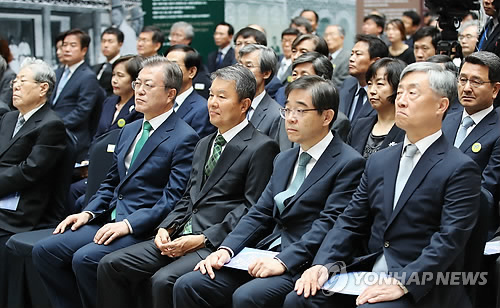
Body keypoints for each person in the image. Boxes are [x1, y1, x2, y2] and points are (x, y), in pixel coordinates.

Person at [284, 62, 481, 308]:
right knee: (299, 300)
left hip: (423, 282)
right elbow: (350, 220)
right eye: (399, 93)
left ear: (441, 106)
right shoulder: (380, 160)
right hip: (367, 269)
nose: (401, 100)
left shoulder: (459, 167)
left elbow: (450, 238)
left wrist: (403, 283)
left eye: (413, 93)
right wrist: (322, 264)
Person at [173, 75, 366, 308]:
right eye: (288, 110)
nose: (291, 119)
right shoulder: (284, 159)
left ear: (327, 116)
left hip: (304, 260)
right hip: (264, 250)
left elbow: (329, 222)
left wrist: (284, 261)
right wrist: (226, 248)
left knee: (248, 296)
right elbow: (260, 211)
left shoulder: (348, 162)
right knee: (190, 284)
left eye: (301, 111)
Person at [96, 64, 280, 308]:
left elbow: (251, 208)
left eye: (222, 97)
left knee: (163, 280)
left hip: (214, 238)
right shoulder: (204, 142)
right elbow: (187, 196)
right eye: (211, 95)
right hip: (180, 232)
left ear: (244, 105)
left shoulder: (261, 147)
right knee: (111, 264)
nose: (212, 103)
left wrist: (203, 239)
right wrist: (166, 227)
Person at [32, 56, 199, 308]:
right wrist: (88, 212)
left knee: (85, 258)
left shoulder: (184, 137)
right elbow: (110, 182)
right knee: (44, 251)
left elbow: (173, 199)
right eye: (137, 84)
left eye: (148, 86)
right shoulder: (129, 130)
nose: (139, 91)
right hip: (108, 217)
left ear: (170, 94)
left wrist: (129, 224)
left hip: (142, 225)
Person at [67, 55, 144, 214]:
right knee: (69, 188)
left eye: (120, 76)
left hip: (116, 169)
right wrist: (90, 161)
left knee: (79, 195)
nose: (114, 80)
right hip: (96, 164)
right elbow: (98, 136)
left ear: (135, 80)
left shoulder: (138, 108)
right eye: (113, 74)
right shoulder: (109, 102)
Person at [442, 51, 500, 212]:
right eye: (463, 80)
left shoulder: (497, 130)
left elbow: (488, 188)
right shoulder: (446, 120)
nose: (467, 88)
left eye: (476, 82)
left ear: (495, 89)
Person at [50, 29, 105, 161]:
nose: (67, 49)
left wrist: (56, 125)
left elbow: (82, 111)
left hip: (73, 137)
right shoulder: (57, 73)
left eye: (72, 45)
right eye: (64, 45)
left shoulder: (88, 76)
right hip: (52, 134)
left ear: (84, 50)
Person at [274, 52, 350, 147]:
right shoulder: (287, 114)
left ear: (322, 80)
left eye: (304, 75)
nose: (297, 79)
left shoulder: (337, 121)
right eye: (294, 74)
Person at [347, 58, 406, 158]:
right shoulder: (360, 125)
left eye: (379, 84)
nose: (372, 91)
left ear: (398, 87)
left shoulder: (407, 130)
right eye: (369, 84)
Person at [165, 44, 216, 138]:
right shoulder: (158, 101)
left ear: (192, 72)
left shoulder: (202, 109)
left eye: (174, 66)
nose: (166, 71)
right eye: (165, 65)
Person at [339, 34, 389, 122]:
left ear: (376, 61)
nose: (351, 59)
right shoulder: (347, 84)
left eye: (358, 54)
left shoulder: (385, 92)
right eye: (352, 54)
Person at [238, 44, 281, 138]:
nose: (241, 70)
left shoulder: (276, 115)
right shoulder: (231, 104)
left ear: (266, 73)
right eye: (240, 64)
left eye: (248, 66)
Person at [93, 27, 123, 96]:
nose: (105, 45)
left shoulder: (123, 67)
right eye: (103, 41)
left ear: (120, 44)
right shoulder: (95, 68)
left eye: (110, 41)